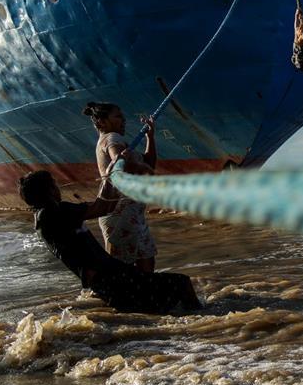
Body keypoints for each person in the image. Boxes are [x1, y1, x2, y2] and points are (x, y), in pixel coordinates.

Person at [18, 170, 200, 314]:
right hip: (110, 278)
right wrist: (111, 176)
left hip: (107, 279)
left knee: (160, 306)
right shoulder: (55, 214)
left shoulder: (47, 216)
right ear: (48, 192)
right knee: (181, 283)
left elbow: (105, 206)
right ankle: (206, 319)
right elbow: (102, 207)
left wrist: (111, 179)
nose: (58, 189)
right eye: (54, 186)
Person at [82, 102, 158, 273]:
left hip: (133, 214)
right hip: (121, 213)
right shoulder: (111, 138)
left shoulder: (117, 140)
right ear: (101, 122)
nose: (123, 120)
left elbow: (149, 164)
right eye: (118, 116)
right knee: (124, 270)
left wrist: (150, 137)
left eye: (122, 116)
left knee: (145, 265)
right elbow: (119, 161)